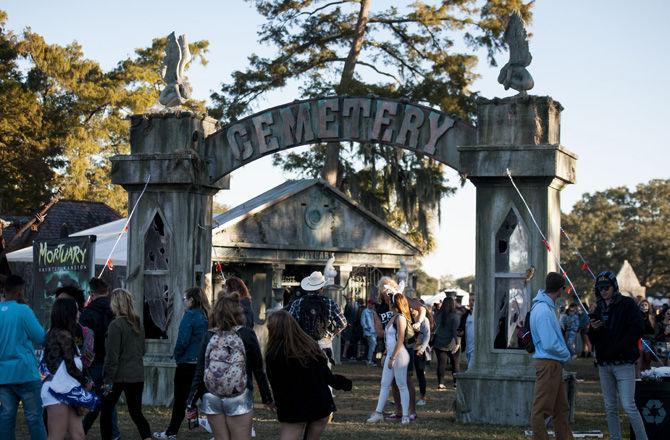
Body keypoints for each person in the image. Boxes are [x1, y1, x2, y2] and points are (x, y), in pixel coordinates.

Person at [187, 293, 273, 440]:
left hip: (211, 396)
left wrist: (191, 402)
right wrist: (267, 398)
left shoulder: (208, 335)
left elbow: (200, 370)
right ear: (239, 312)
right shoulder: (247, 334)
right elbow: (259, 370)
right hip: (240, 397)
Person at [265, 310, 351, 440]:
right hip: (319, 403)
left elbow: (275, 383)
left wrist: (272, 401)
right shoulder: (310, 347)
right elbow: (326, 376)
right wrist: (343, 383)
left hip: (293, 407)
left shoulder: (274, 354)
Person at [588, 271, 647, 440]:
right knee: (610, 407)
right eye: (600, 288)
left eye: (606, 287)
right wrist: (594, 328)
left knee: (628, 405)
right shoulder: (598, 307)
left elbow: (638, 329)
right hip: (604, 363)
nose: (603, 291)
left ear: (614, 287)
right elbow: (593, 338)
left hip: (624, 361)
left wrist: (619, 347)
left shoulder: (627, 304)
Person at [154, 287, 210, 440]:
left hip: (187, 363)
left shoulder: (190, 316)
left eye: (185, 299)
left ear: (192, 300)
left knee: (180, 399)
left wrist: (177, 355)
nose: (184, 301)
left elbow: (183, 340)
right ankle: (221, 430)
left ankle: (171, 432)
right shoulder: (206, 316)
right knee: (208, 398)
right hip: (202, 363)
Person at [40, 298, 98, 440]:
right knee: (56, 436)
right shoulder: (62, 335)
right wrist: (86, 382)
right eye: (77, 309)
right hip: (57, 390)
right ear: (68, 313)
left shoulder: (58, 333)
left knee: (78, 434)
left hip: (67, 389)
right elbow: (70, 366)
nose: (79, 313)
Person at [0, 275, 47, 440]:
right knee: (34, 419)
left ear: (5, 291)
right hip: (26, 373)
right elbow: (41, 337)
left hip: (3, 376)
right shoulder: (23, 311)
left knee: (6, 418)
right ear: (20, 292)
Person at [100, 288, 152, 440]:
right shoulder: (137, 324)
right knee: (136, 413)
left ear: (115, 304)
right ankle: (147, 437)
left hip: (118, 377)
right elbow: (142, 350)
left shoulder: (116, 325)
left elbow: (112, 356)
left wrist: (107, 380)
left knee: (106, 412)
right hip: (136, 375)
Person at [529, 272, 573, 440]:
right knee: (540, 410)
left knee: (561, 408)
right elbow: (549, 343)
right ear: (561, 289)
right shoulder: (544, 311)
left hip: (551, 364)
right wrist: (566, 354)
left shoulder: (544, 307)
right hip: (548, 364)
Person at [80, 278, 120, 438]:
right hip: (111, 361)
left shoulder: (87, 313)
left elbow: (82, 341)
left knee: (97, 400)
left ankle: (82, 431)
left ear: (92, 293)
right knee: (108, 399)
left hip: (94, 361)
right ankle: (113, 434)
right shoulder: (115, 312)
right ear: (107, 292)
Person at [367, 292, 411, 424]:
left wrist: (393, 358)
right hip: (391, 354)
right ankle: (378, 413)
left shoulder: (401, 318)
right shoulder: (393, 317)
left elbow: (400, 339)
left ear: (394, 303)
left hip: (399, 355)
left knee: (402, 384)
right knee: (384, 384)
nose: (388, 303)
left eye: (390, 301)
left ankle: (405, 416)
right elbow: (389, 339)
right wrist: (386, 354)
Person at [288, 271, 347, 362]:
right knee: (323, 373)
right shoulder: (330, 303)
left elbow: (290, 324)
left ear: (308, 287)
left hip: (303, 342)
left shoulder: (297, 303)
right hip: (324, 343)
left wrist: (298, 336)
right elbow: (343, 323)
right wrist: (330, 335)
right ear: (322, 288)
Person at [433, 296, 460, 390]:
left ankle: (441, 383)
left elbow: (434, 327)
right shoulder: (455, 316)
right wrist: (457, 343)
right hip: (452, 343)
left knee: (441, 364)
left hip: (438, 343)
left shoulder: (437, 315)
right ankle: (456, 383)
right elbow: (454, 331)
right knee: (455, 363)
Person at [413, 305, 431, 406]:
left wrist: (422, 349)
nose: (411, 310)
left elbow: (427, 336)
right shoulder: (408, 317)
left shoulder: (424, 320)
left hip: (420, 351)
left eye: (413, 308)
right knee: (406, 375)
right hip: (410, 349)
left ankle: (422, 397)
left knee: (420, 375)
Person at [637, 299, 656, 374]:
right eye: (642, 305)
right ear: (639, 307)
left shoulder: (651, 317)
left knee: (647, 360)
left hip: (648, 341)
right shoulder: (637, 316)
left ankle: (646, 376)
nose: (643, 306)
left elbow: (653, 330)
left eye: (645, 305)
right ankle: (638, 378)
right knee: (640, 360)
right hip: (639, 340)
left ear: (648, 307)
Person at [457, 294, 476, 369]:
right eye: (470, 300)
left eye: (473, 300)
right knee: (469, 366)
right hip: (468, 346)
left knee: (470, 368)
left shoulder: (481, 315)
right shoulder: (465, 315)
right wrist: (460, 333)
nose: (471, 302)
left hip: (477, 347)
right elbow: (461, 328)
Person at [361, 298, 379, 366]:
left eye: (373, 304)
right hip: (369, 332)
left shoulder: (374, 312)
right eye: (372, 304)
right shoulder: (365, 311)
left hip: (374, 332)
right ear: (368, 304)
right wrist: (366, 328)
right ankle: (369, 360)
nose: (372, 305)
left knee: (372, 346)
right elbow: (362, 322)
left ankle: (370, 359)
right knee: (373, 345)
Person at [342, 294, 358, 360]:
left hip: (348, 324)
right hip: (354, 324)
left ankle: (344, 354)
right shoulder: (356, 305)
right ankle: (352, 355)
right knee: (352, 341)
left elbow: (345, 316)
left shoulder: (348, 305)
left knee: (347, 340)